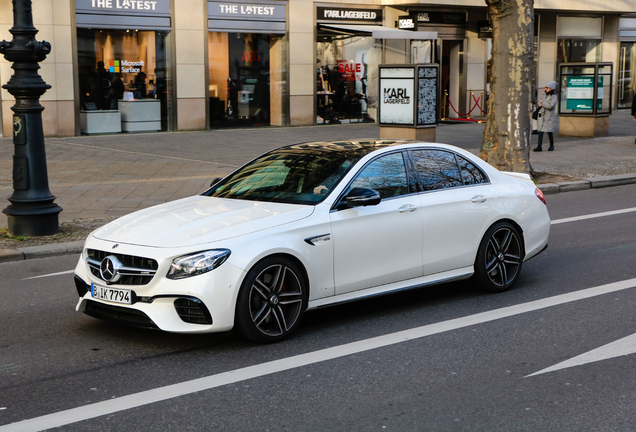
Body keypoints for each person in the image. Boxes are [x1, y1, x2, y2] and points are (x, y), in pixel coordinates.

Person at [533, 81, 558, 152]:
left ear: (551, 88)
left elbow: (550, 106)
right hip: (541, 115)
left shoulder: (554, 97)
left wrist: (542, 103)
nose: (546, 89)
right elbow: (539, 102)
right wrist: (541, 103)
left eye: (547, 87)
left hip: (548, 116)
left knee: (549, 131)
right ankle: (539, 146)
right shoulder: (543, 95)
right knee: (540, 131)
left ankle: (551, 145)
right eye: (545, 87)